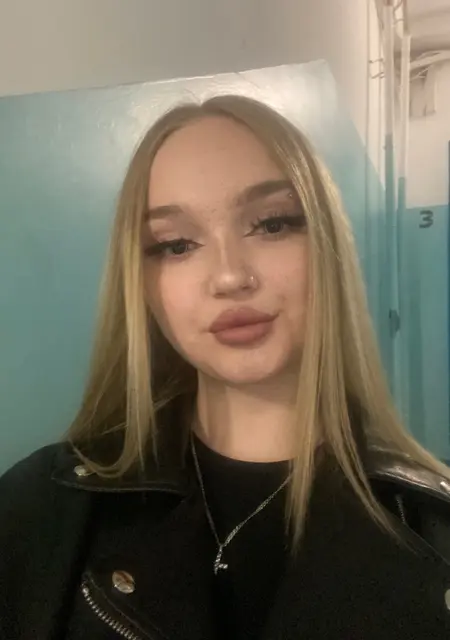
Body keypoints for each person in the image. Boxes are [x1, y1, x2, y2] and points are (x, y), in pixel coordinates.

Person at [1, 94, 450, 640]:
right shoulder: (41, 508)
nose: (230, 276)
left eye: (272, 224)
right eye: (176, 245)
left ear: (326, 246)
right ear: (141, 284)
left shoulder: (434, 526)